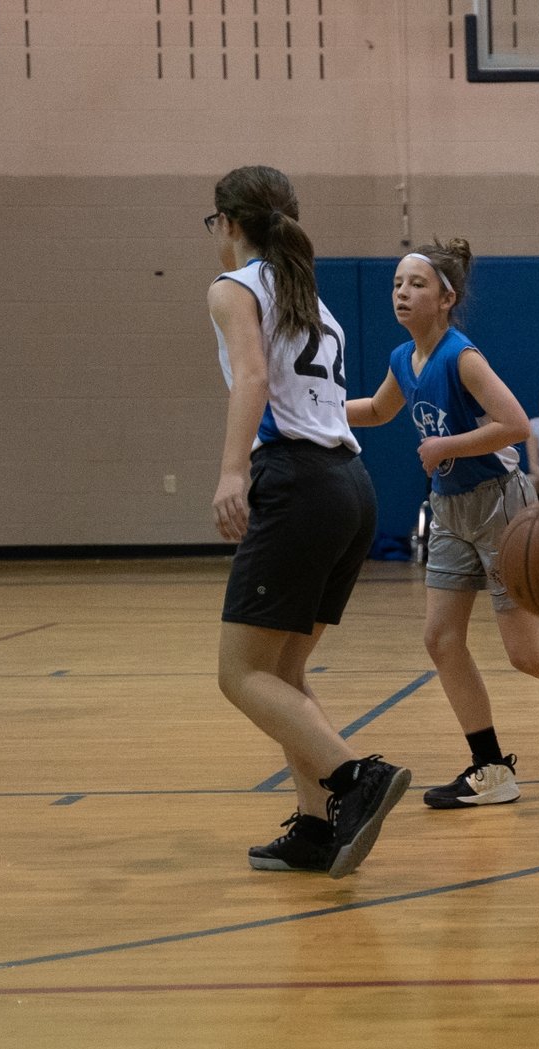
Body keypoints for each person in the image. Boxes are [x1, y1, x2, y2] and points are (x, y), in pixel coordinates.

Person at [346, 241, 539, 803]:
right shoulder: (401, 358)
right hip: (448, 509)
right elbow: (375, 410)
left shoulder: (461, 357)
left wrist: (447, 445)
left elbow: (515, 425)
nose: (401, 293)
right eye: (396, 283)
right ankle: (490, 768)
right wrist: (308, 409)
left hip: (498, 504)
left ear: (446, 298)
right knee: (441, 639)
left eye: (416, 284)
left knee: (524, 653)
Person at [206, 165, 409, 878]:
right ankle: (319, 826)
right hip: (350, 487)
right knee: (284, 671)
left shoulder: (234, 288)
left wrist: (232, 471)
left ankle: (356, 778)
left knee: (240, 674)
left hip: (296, 482)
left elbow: (253, 379)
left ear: (230, 223)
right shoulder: (310, 298)